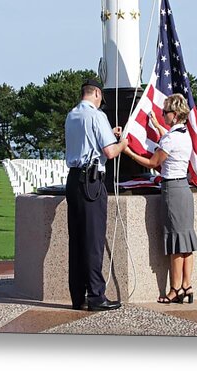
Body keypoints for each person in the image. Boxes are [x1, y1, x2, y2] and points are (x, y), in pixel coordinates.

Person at [123, 93, 197, 304]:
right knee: (186, 241)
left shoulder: (171, 138)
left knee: (176, 243)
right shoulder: (184, 134)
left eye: (165, 112)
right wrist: (157, 126)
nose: (162, 114)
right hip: (183, 188)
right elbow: (168, 137)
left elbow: (152, 162)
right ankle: (187, 285)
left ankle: (174, 289)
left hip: (172, 190)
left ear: (174, 115)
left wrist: (128, 151)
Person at [65, 79, 128, 311]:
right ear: (98, 94)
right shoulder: (97, 116)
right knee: (93, 240)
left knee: (78, 239)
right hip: (92, 181)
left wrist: (107, 134)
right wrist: (122, 143)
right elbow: (109, 152)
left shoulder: (72, 115)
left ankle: (78, 295)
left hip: (73, 179)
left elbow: (87, 141)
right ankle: (96, 295)